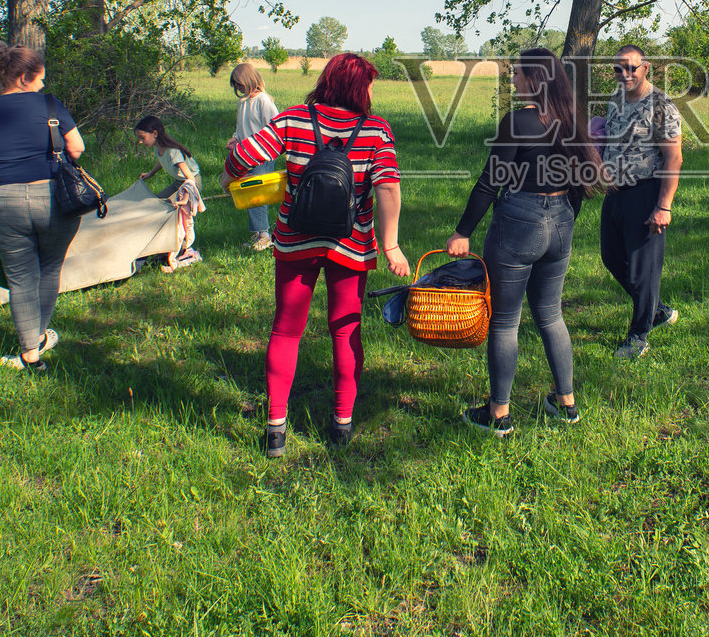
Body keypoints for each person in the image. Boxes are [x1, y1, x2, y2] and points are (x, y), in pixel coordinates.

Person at [221, 53, 411, 454]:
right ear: (357, 87)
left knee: (286, 330)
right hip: (351, 246)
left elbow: (243, 156)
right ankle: (341, 424)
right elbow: (388, 187)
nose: (372, 91)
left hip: (294, 242)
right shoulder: (377, 131)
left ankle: (275, 428)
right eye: (370, 84)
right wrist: (391, 244)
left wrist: (228, 174)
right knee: (345, 331)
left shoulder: (293, 119)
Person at [446, 48, 603, 436]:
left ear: (535, 79)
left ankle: (498, 414)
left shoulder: (517, 122)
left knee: (504, 321)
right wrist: (562, 222)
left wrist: (462, 231)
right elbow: (583, 181)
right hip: (561, 220)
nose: (512, 78)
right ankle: (566, 403)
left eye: (517, 73)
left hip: (519, 221)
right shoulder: (571, 122)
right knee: (551, 315)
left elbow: (489, 182)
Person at [0, 40, 86, 372]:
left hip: (3, 203)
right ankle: (38, 338)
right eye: (41, 79)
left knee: (21, 278)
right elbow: (77, 148)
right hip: (54, 198)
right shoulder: (49, 104)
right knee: (50, 270)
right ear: (24, 78)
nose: (43, 85)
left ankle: (31, 349)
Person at [600, 43, 683, 360]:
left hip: (645, 192)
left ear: (645, 68)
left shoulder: (660, 104)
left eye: (631, 68)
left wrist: (663, 207)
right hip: (615, 192)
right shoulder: (615, 99)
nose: (624, 74)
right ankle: (657, 310)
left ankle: (638, 337)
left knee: (643, 270)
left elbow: (673, 157)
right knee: (611, 258)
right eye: (618, 68)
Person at [134, 115, 203, 271]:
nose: (141, 141)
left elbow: (190, 178)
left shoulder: (173, 152)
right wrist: (150, 173)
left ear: (155, 133)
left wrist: (185, 199)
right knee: (158, 204)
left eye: (142, 137)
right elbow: (162, 161)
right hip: (179, 183)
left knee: (178, 216)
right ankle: (164, 247)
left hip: (190, 184)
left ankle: (186, 250)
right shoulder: (160, 150)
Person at [230, 62, 280, 252]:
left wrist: (262, 146)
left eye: (239, 84)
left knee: (258, 195)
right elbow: (241, 129)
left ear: (249, 80)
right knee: (250, 195)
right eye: (235, 86)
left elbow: (275, 127)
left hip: (263, 156)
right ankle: (259, 233)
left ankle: (265, 236)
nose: (238, 89)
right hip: (245, 155)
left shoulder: (263, 100)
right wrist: (235, 140)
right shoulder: (243, 102)